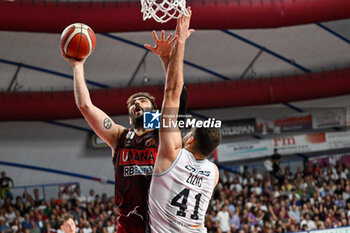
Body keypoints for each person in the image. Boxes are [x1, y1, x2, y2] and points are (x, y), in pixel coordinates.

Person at [62, 26, 186, 233]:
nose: (137, 103)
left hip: (164, 224)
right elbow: (85, 106)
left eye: (143, 101)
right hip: (128, 227)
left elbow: (175, 95)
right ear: (130, 117)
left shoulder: (164, 134)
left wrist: (167, 60)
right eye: (133, 103)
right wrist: (78, 65)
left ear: (156, 113)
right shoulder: (120, 136)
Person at [148, 8, 221, 232]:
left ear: (189, 141)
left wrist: (180, 41)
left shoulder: (172, 154)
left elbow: (173, 92)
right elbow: (176, 95)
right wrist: (168, 58)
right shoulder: (213, 173)